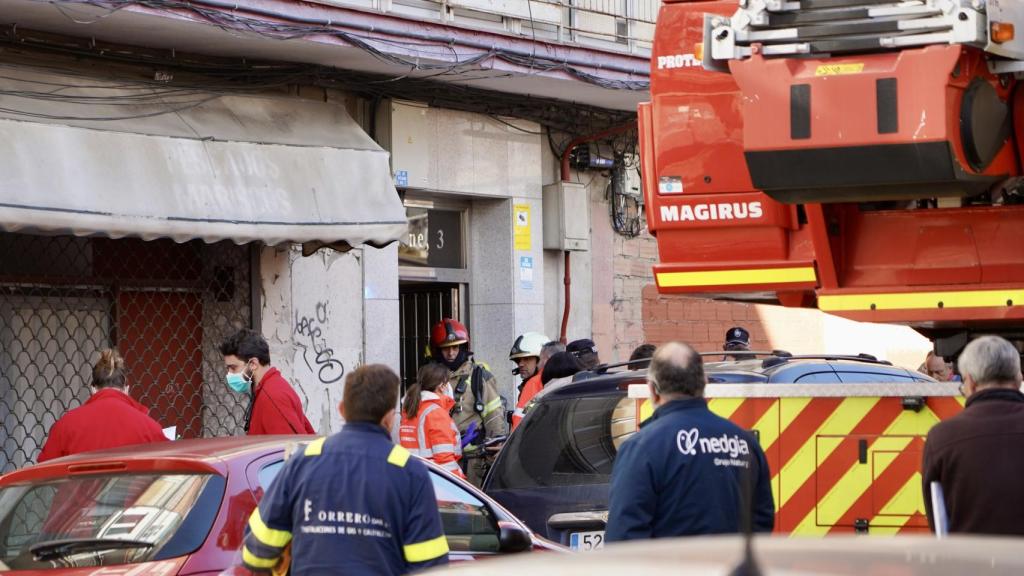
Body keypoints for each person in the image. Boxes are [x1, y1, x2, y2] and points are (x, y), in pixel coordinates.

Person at [241, 365, 449, 575]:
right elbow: (431, 567)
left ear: (342, 410)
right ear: (389, 417)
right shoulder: (411, 472)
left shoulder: (303, 461)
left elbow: (255, 552)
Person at [606, 342, 774, 541]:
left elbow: (624, 536)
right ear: (704, 382)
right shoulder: (745, 443)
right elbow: (762, 521)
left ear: (653, 389)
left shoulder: (642, 447)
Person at [922, 336, 1024, 536]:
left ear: (969, 382)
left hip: (969, 556)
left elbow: (939, 524)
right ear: (1019, 378)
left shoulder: (941, 437)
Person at [38, 348, 168, 462]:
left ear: (93, 389)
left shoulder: (64, 426)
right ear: (126, 389)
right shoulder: (150, 428)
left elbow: (45, 470)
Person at [430, 318, 508, 486]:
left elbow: (494, 417)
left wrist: (495, 452)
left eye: (455, 347)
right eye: (446, 348)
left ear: (464, 347)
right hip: (439, 462)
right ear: (437, 350)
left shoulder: (480, 377)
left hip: (471, 462)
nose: (451, 353)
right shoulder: (430, 380)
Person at [220, 329, 315, 435]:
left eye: (233, 367)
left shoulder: (273, 396)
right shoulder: (267, 389)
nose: (229, 373)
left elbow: (290, 444)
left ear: (253, 364)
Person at [400, 363, 464, 478]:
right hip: (433, 479)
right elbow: (445, 460)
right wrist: (459, 483)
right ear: (442, 386)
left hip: (412, 476)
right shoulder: (436, 413)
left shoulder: (408, 410)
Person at [512, 340, 563, 430]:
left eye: (527, 359)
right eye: (518, 360)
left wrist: (514, 437)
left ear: (546, 360)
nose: (520, 364)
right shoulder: (574, 377)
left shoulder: (535, 383)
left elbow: (522, 415)